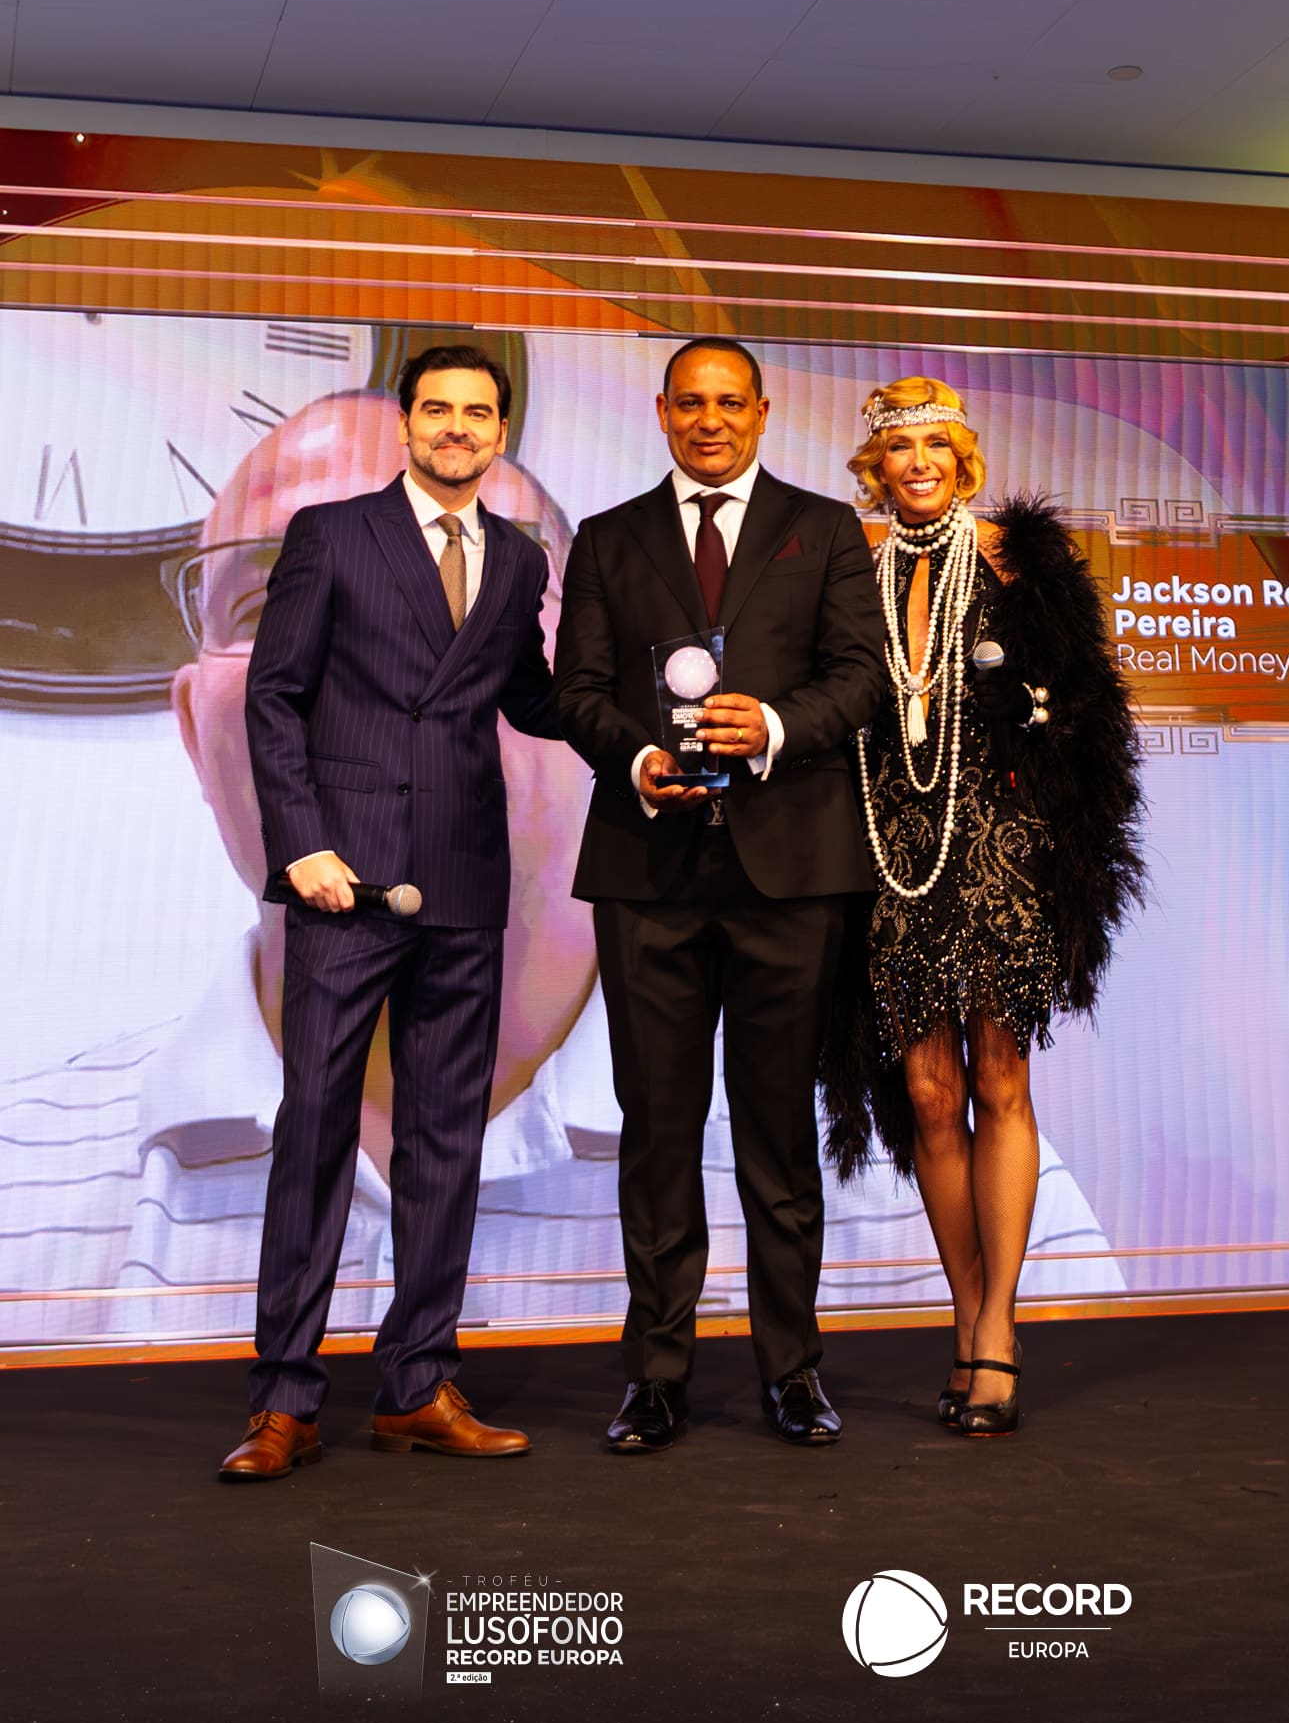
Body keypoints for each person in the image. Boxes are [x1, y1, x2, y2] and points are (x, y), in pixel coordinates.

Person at [218, 344, 564, 1481]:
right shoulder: (331, 534)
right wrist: (303, 845)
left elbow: (528, 697)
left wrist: (640, 715)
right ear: (406, 425)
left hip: (463, 873)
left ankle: (417, 1384)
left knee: (444, 1139)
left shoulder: (517, 557)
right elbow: (275, 696)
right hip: (345, 881)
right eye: (438, 409)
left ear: (500, 431)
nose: (457, 427)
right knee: (316, 1128)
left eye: (478, 411)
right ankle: (284, 1399)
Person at [554, 337, 886, 1451]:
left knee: (778, 1133)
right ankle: (655, 1374)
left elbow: (860, 677)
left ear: (762, 412)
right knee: (656, 1131)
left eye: (729, 402)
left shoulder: (824, 529)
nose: (710, 420)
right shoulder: (608, 537)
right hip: (648, 869)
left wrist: (777, 725)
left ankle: (793, 1371)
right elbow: (577, 689)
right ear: (660, 412)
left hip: (790, 872)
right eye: (690, 403)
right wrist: (638, 757)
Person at [824, 377, 1144, 1436]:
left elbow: (1088, 712)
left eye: (934, 445)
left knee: (999, 1075)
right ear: (876, 468)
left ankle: (998, 1329)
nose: (916, 463)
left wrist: (1037, 736)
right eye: (897, 448)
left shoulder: (1017, 561)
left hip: (1000, 849)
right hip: (893, 851)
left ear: (963, 460)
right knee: (926, 1093)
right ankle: (966, 1316)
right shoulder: (853, 573)